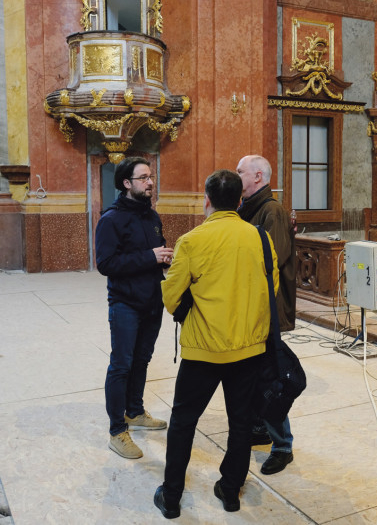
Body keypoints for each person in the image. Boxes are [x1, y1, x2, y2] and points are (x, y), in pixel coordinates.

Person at [154, 169, 279, 519]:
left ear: (206, 200)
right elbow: (272, 290)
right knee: (241, 422)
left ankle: (172, 497)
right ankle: (230, 490)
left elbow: (171, 296)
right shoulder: (260, 238)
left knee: (183, 421)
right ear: (239, 200)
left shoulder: (192, 241)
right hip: (248, 349)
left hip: (203, 350)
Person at [95, 157, 173, 459]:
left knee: (142, 360)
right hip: (125, 303)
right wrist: (150, 257)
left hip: (152, 299)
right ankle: (117, 431)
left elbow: (154, 251)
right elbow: (106, 264)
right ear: (126, 183)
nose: (150, 182)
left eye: (151, 176)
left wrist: (164, 258)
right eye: (143, 178)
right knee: (121, 365)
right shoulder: (111, 219)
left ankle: (135, 412)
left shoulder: (151, 216)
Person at [236, 155, 296, 475]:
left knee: (270, 378)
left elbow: (272, 259)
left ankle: (283, 446)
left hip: (267, 307)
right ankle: (260, 428)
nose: (237, 176)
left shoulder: (271, 211)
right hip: (252, 305)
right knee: (254, 374)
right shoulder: (247, 208)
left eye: (240, 171)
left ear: (257, 176)